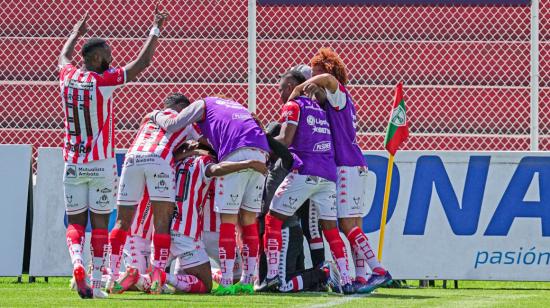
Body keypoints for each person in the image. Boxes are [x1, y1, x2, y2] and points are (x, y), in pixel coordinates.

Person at [59, 6, 168, 299]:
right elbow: (141, 64)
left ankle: (77, 264)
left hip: (72, 162)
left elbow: (63, 56)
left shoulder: (67, 76)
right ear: (95, 58)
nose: (111, 57)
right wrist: (155, 29)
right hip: (101, 164)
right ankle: (94, 284)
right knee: (99, 224)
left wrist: (74, 33)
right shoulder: (102, 81)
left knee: (76, 224)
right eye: (107, 53)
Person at [289, 47, 393, 293]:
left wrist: (298, 89)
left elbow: (328, 80)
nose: (313, 80)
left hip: (346, 165)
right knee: (354, 225)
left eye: (315, 73)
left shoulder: (338, 92)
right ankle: (360, 276)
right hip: (355, 164)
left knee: (347, 224)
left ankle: (378, 269)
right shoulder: (340, 100)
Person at [150, 96, 270, 295]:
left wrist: (155, 115)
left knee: (228, 220)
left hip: (235, 153)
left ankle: (225, 282)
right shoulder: (232, 106)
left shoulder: (201, 105)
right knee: (249, 220)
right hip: (261, 152)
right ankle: (249, 281)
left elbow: (172, 125)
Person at [115, 142, 267, 294]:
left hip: (163, 230)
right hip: (186, 234)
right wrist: (247, 164)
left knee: (163, 281)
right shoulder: (205, 162)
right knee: (206, 285)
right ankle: (163, 276)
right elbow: (215, 170)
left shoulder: (172, 162)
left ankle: (138, 278)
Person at [258, 70, 355, 294]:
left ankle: (272, 276)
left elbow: (285, 139)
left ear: (292, 85)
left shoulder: (294, 106)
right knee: (330, 229)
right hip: (328, 175)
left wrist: (256, 135)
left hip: (305, 171)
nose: (279, 94)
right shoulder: (321, 109)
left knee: (273, 219)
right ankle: (347, 280)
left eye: (281, 88)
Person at [109, 93, 201, 294]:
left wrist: (181, 150)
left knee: (121, 221)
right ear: (181, 107)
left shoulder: (149, 117)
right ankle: (157, 278)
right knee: (162, 222)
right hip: (160, 160)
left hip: (132, 158)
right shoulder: (186, 121)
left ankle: (112, 276)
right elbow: (205, 144)